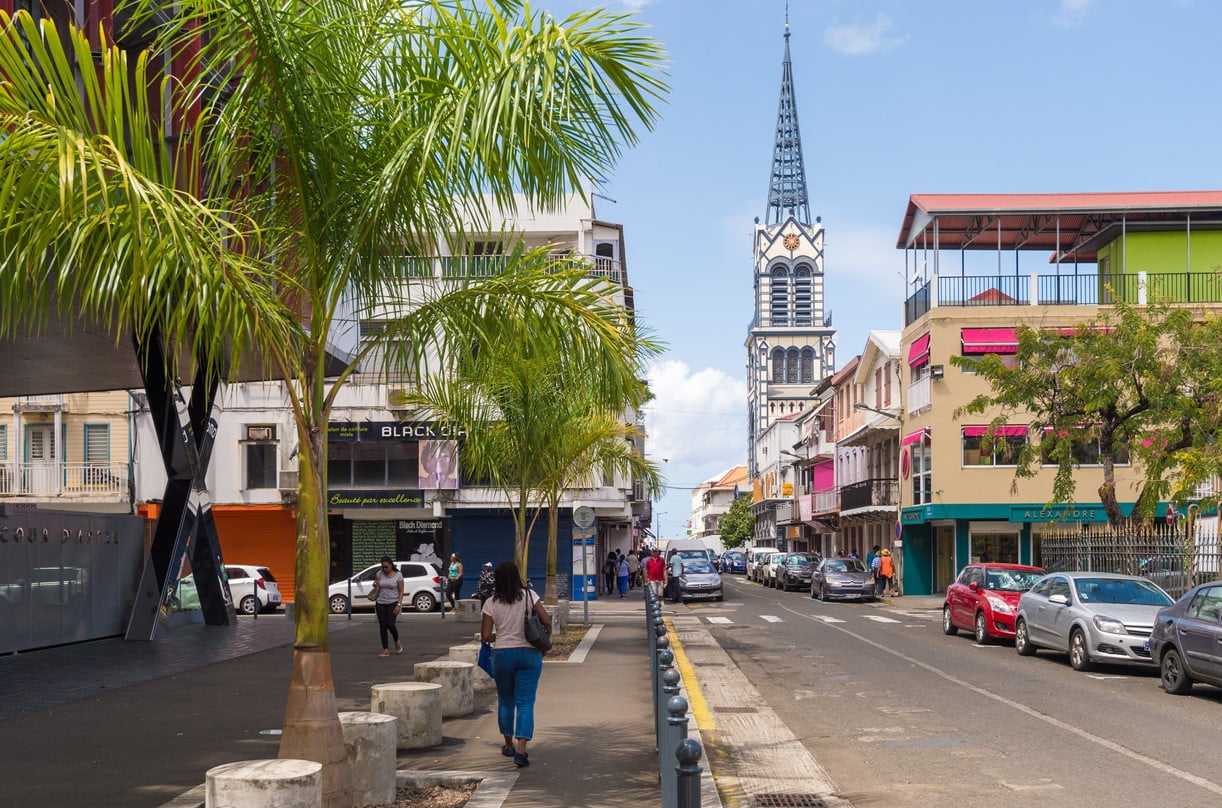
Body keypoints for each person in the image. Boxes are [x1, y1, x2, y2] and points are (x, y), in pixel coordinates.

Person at [480, 561, 551, 768]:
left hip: (502, 654)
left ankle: (508, 745)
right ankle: (522, 749)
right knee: (526, 701)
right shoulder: (530, 596)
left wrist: (501, 636)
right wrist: (545, 643)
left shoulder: (491, 603)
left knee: (506, 700)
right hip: (530, 653)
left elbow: (485, 635)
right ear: (517, 576)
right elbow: (546, 621)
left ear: (498, 580)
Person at [372, 556, 404, 657]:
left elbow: (401, 591)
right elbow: (375, 584)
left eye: (386, 567)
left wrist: (398, 604)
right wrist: (375, 584)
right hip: (380, 602)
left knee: (390, 624)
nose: (385, 569)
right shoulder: (379, 573)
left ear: (391, 565)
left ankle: (396, 640)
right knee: (382, 625)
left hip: (393, 602)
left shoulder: (398, 575)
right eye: (383, 567)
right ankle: (385, 649)